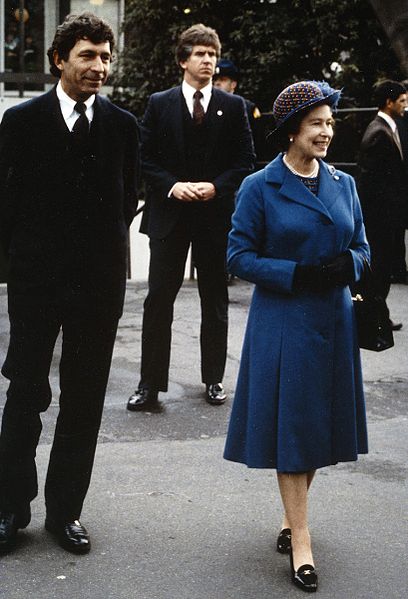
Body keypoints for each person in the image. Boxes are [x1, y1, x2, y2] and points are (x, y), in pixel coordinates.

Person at [0, 12, 140, 555]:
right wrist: (19, 270)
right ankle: (11, 507)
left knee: (83, 402)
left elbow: (125, 202)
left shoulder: (123, 127)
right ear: (59, 59)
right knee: (26, 394)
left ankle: (65, 513)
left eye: (106, 57)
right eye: (87, 55)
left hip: (98, 290)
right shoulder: (21, 122)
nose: (99, 67)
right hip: (36, 286)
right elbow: (5, 206)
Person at [223, 81, 370, 592]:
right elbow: (237, 256)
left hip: (333, 319)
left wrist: (344, 264)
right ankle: (302, 537)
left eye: (330, 123)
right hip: (284, 321)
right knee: (293, 429)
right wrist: (295, 274)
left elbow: (364, 248)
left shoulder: (343, 183)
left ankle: (291, 517)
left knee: (318, 426)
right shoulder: (259, 186)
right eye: (317, 124)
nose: (327, 132)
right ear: (292, 130)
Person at [126, 24, 255, 412]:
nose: (208, 61)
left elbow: (245, 160)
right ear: (183, 60)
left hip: (214, 216)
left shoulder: (233, 107)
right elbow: (144, 157)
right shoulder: (159, 103)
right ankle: (149, 385)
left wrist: (216, 187)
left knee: (214, 298)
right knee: (159, 300)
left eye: (212, 55)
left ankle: (213, 379)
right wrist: (172, 186)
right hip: (170, 215)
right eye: (200, 54)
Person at [357, 80, 408, 327]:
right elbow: (372, 182)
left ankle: (379, 316)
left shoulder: (386, 128)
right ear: (389, 103)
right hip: (381, 218)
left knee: (382, 268)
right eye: (402, 101)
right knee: (379, 268)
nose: (405, 106)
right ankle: (375, 318)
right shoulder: (379, 133)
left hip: (386, 216)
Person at [213, 58, 262, 142]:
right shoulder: (206, 107)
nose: (217, 83)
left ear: (233, 84)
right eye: (214, 80)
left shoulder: (247, 108)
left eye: (222, 80)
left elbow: (258, 141)